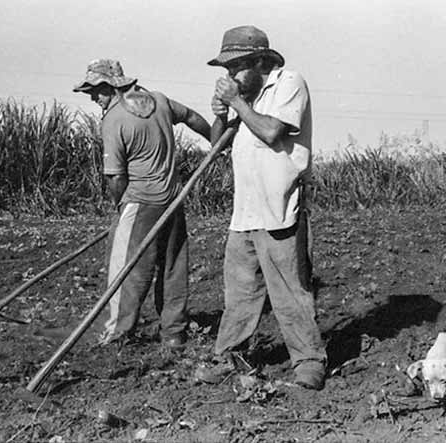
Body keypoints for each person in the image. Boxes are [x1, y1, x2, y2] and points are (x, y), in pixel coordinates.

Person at [194, 26, 327, 390]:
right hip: (245, 211)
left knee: (289, 292)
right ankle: (231, 358)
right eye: (225, 70)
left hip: (279, 207)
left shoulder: (288, 83)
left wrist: (237, 102)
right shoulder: (246, 97)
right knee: (239, 294)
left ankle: (309, 363)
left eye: (235, 67)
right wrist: (222, 112)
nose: (229, 77)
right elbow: (218, 144)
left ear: (258, 62)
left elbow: (271, 133)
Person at [73, 59, 212, 348]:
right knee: (173, 266)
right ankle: (174, 332)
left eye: (96, 90)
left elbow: (114, 177)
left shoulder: (113, 119)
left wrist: (120, 205)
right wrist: (216, 139)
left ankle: (116, 332)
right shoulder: (159, 100)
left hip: (139, 201)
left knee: (126, 269)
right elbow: (192, 118)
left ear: (112, 86)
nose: (93, 97)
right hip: (173, 200)